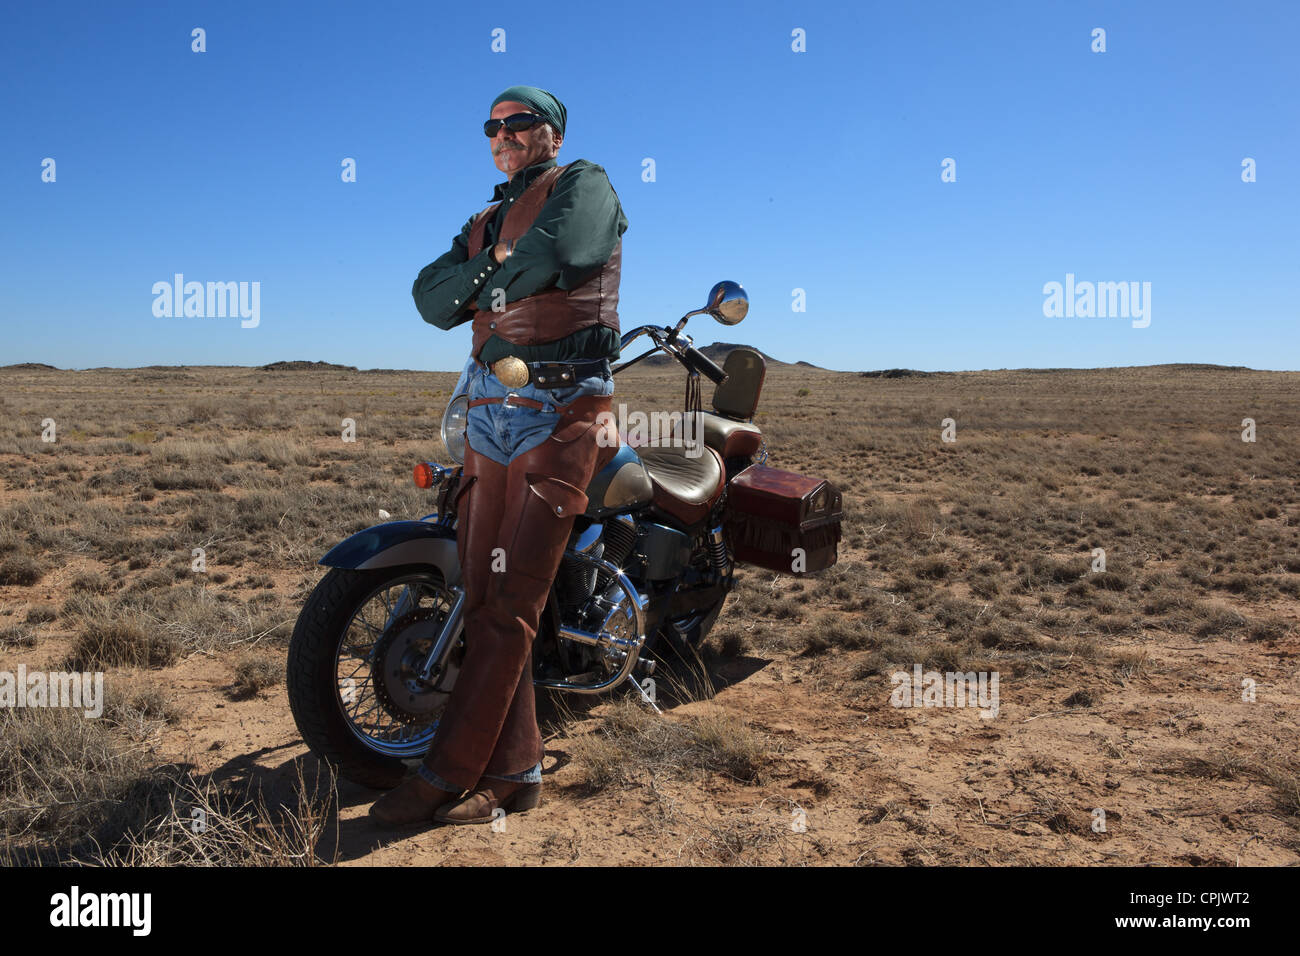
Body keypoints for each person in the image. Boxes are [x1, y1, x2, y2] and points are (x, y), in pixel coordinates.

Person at [370, 85, 627, 827]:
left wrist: (487, 275)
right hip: (488, 411)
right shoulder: (484, 219)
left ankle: (445, 774)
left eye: (520, 123)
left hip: (560, 407)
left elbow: (569, 251)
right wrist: (502, 264)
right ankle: (517, 770)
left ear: (551, 132)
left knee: (513, 600)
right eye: (493, 126)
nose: (504, 134)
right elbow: (429, 298)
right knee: (485, 599)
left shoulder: (585, 183)